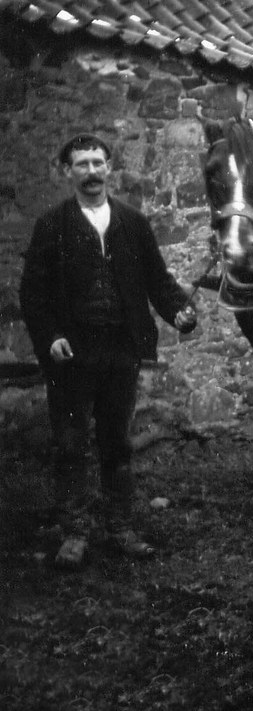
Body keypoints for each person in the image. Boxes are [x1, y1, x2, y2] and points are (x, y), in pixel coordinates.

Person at [19, 133, 198, 569]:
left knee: (116, 443)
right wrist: (49, 337)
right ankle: (75, 533)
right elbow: (33, 293)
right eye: (82, 164)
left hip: (121, 351)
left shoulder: (133, 222)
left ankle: (119, 528)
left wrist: (178, 310)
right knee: (71, 444)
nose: (92, 172)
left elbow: (157, 279)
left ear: (109, 168)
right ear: (68, 172)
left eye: (98, 163)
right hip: (72, 357)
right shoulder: (52, 225)